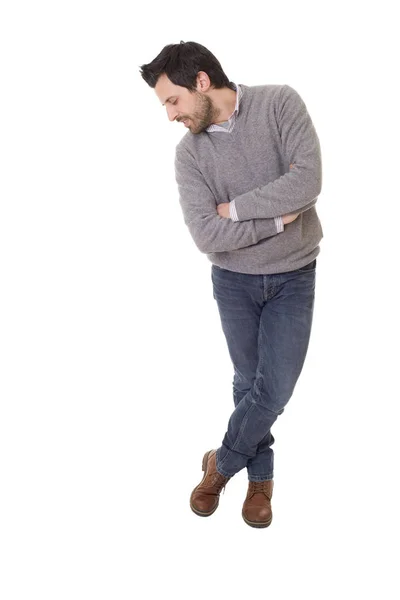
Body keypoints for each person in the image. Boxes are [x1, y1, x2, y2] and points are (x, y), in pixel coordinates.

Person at [139, 41, 323, 528]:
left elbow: (307, 183)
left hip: (293, 277)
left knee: (274, 388)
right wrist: (278, 220)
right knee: (248, 383)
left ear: (201, 81)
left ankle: (220, 464)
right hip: (234, 283)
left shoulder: (280, 103)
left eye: (172, 100)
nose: (170, 115)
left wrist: (236, 208)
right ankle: (261, 480)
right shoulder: (189, 156)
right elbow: (205, 233)